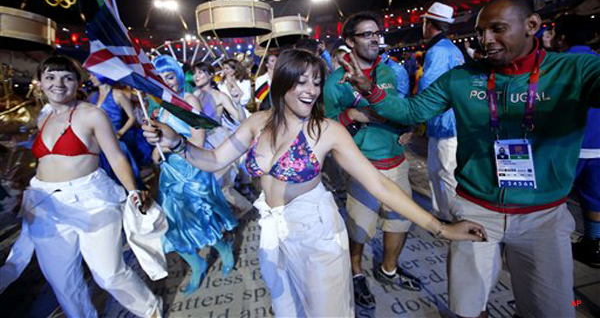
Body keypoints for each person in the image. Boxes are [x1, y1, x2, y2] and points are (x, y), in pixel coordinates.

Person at [143, 49, 486, 317]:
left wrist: (441, 228)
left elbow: (380, 186)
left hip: (316, 234)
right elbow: (214, 160)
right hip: (273, 234)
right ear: (282, 83)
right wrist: (176, 143)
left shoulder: (327, 132)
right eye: (302, 81)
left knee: (326, 311)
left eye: (317, 82)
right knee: (287, 307)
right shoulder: (257, 122)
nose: (311, 90)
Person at [339, 0, 600, 318]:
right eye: (480, 31)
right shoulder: (463, 76)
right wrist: (368, 88)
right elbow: (413, 110)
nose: (485, 40)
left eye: (498, 29)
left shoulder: (575, 69)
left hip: (542, 216)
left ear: (532, 25)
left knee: (551, 311)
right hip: (478, 211)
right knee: (467, 309)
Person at [23, 55, 161, 318]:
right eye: (50, 77)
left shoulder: (92, 114)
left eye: (67, 77)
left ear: (78, 82)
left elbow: (116, 156)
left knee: (108, 274)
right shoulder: (42, 118)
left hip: (91, 201)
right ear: (39, 82)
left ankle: (150, 309)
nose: (58, 84)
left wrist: (133, 190)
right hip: (47, 205)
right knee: (62, 281)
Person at [324, 11, 421, 310]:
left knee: (399, 222)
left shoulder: (388, 72)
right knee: (360, 228)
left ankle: (388, 269)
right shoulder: (335, 83)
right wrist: (352, 117)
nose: (374, 39)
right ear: (350, 41)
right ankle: (356, 273)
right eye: (366, 34)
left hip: (397, 161)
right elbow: (328, 127)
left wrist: (407, 127)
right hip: (363, 167)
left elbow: (399, 107)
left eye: (376, 33)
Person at [153, 55, 237, 295]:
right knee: (171, 226)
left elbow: (198, 139)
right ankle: (197, 264)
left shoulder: (188, 100)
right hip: (170, 174)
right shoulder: (162, 104)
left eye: (169, 77)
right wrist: (155, 148)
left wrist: (167, 146)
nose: (165, 82)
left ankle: (223, 249)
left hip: (192, 170)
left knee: (202, 220)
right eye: (160, 79)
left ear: (178, 76)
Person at [552, 13, 600, 268]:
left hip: (566, 148)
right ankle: (594, 246)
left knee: (554, 201)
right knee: (595, 199)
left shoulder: (555, 64)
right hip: (599, 147)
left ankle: (553, 249)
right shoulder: (597, 60)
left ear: (561, 38)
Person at [419, 2, 465, 222]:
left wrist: (416, 116)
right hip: (450, 120)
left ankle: (453, 217)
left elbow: (429, 88)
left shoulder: (436, 51)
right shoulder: (453, 49)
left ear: (429, 24)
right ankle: (443, 213)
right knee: (439, 170)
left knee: (445, 172)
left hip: (443, 122)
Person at [192, 61, 252, 216]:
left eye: (200, 72)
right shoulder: (192, 96)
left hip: (217, 141)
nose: (196, 76)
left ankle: (243, 209)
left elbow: (240, 118)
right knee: (205, 185)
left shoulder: (219, 96)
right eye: (195, 73)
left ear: (211, 75)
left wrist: (238, 103)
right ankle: (224, 218)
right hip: (198, 142)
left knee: (221, 185)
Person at [88, 73, 147, 190]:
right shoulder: (93, 97)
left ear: (101, 75)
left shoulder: (118, 94)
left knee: (127, 178)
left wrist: (120, 133)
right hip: (99, 144)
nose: (90, 77)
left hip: (116, 142)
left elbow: (132, 117)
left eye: (93, 74)